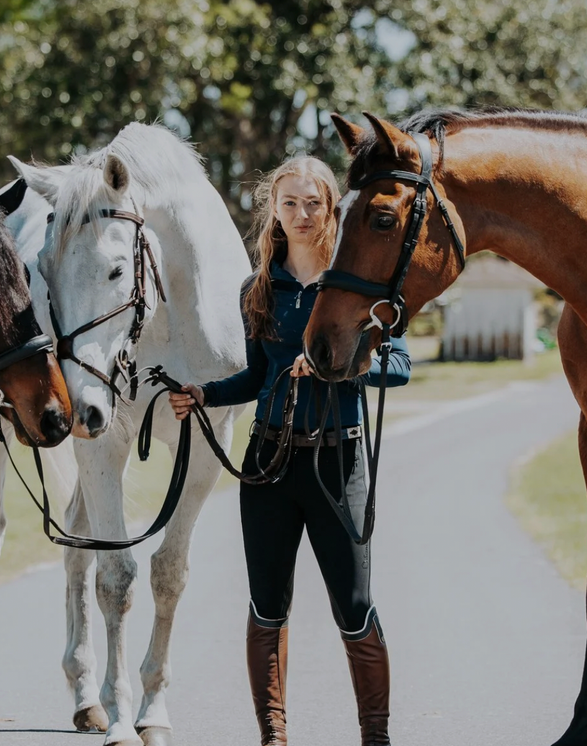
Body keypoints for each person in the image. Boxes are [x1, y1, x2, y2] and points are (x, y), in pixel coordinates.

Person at [169, 156, 410, 746]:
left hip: (339, 464)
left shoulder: (358, 284)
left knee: (354, 606)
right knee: (266, 605)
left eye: (313, 203)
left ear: (331, 208)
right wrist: (204, 394)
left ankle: (375, 738)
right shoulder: (257, 289)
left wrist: (341, 362)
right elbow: (256, 377)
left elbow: (400, 367)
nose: (302, 214)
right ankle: (273, 736)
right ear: (273, 211)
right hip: (268, 465)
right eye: (290, 203)